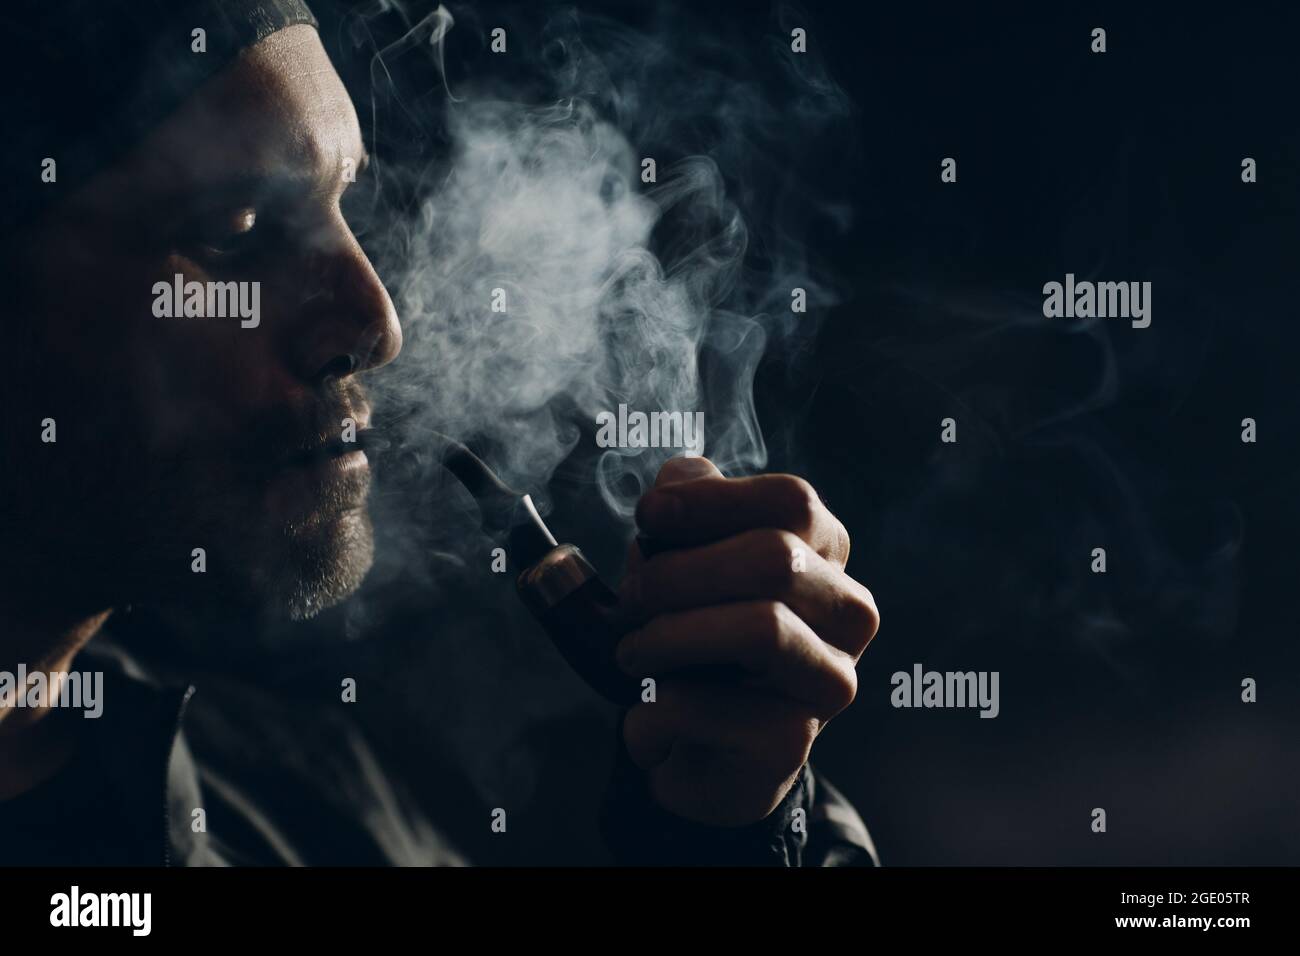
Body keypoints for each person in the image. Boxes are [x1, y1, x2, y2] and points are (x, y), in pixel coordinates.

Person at [0, 0, 881, 866]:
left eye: (349, 200)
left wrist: (722, 832)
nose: (378, 325)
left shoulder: (312, 809)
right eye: (236, 232)